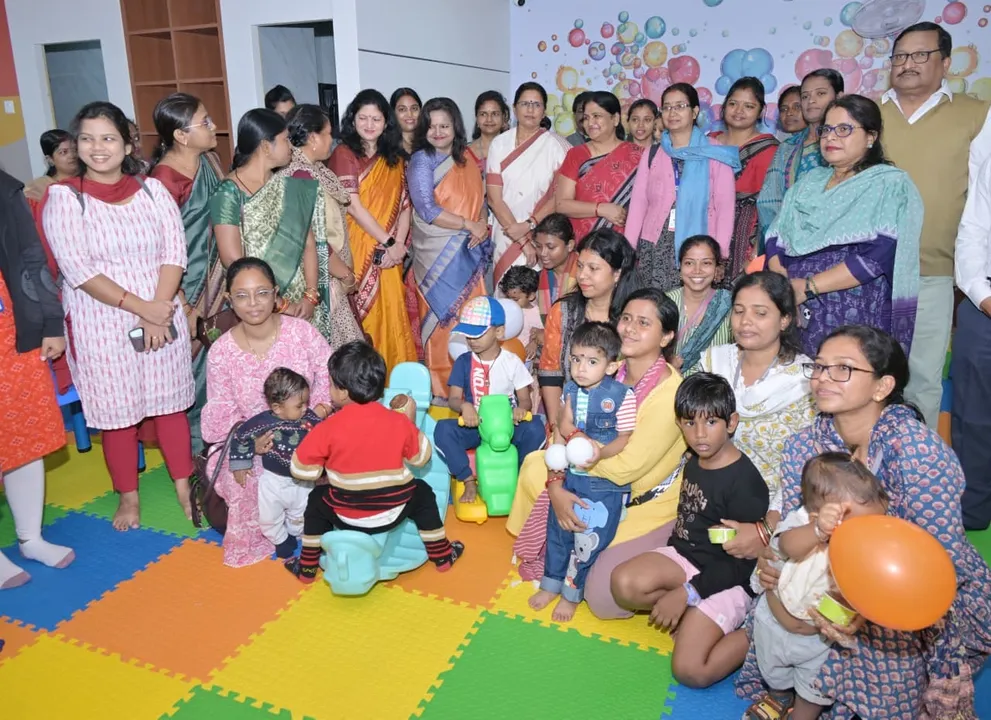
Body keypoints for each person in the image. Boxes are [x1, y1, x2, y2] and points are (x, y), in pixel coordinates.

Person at [739, 325, 991, 719]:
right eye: (819, 366)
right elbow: (795, 523)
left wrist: (855, 604)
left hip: (909, 591)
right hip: (823, 569)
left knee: (880, 657)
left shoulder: (917, 451)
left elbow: (938, 559)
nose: (823, 377)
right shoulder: (803, 446)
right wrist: (775, 559)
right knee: (773, 610)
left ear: (882, 386)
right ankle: (790, 691)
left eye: (843, 368)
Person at [41, 101, 195, 531]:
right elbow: (79, 270)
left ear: (127, 144)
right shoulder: (65, 199)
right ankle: (128, 496)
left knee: (170, 406)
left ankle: (185, 486)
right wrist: (144, 309)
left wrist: (158, 310)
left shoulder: (153, 191)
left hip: (161, 311)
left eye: (108, 138)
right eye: (87, 139)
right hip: (101, 323)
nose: (97, 147)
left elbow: (174, 253)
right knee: (117, 415)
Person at [510, 289, 686, 613]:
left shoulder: (670, 392)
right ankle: (557, 551)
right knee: (535, 465)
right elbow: (562, 425)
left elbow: (626, 468)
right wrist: (557, 486)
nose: (630, 328)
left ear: (666, 337)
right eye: (627, 318)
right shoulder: (603, 367)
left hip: (636, 494)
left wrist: (570, 463)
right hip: (584, 473)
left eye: (644, 323)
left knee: (602, 598)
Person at [610, 372, 769, 689]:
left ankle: (757, 633)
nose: (699, 434)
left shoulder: (746, 484)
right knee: (623, 584)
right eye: (689, 423)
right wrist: (684, 590)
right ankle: (696, 616)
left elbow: (742, 565)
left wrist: (688, 593)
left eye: (711, 422)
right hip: (687, 558)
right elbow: (691, 526)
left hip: (729, 578)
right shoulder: (695, 461)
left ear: (731, 422)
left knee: (690, 671)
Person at [881, 22, 991, 430]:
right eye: (900, 56)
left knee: (922, 380)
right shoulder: (867, 112)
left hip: (934, 272)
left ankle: (918, 463)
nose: (907, 64)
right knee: (864, 374)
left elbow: (982, 198)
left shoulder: (976, 114)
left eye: (920, 55)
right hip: (866, 273)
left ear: (945, 63)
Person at [287, 340, 464, 582]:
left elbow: (300, 470)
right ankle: (442, 556)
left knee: (317, 499)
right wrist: (410, 423)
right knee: (422, 492)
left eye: (330, 384)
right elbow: (422, 458)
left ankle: (307, 567)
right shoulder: (398, 422)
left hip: (346, 514)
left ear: (343, 391)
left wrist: (326, 469)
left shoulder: (327, 428)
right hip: (394, 511)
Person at [765, 95, 922, 358]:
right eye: (826, 129)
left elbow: (878, 254)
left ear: (871, 136)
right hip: (794, 307)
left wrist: (808, 287)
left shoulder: (889, 184)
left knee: (844, 375)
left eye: (844, 129)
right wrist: (785, 287)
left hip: (852, 311)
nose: (830, 137)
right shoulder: (809, 182)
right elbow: (776, 237)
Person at [200, 258, 332, 568]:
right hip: (250, 442)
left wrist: (317, 413)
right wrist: (251, 445)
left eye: (261, 293)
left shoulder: (302, 333)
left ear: (275, 294)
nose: (253, 303)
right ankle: (274, 535)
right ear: (229, 300)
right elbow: (222, 413)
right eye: (242, 295)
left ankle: (312, 529)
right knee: (244, 475)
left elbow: (328, 375)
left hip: (308, 429)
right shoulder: (221, 352)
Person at [748, 452, 888, 720]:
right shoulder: (800, 525)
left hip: (818, 641)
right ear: (817, 515)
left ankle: (803, 712)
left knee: (814, 689)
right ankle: (778, 696)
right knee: (773, 671)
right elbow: (786, 546)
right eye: (858, 525)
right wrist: (818, 532)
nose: (866, 533)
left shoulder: (862, 549)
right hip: (773, 627)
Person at [699, 271, 816, 552]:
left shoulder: (805, 382)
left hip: (776, 513)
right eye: (739, 311)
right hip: (709, 497)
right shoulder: (715, 363)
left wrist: (766, 528)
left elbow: (806, 468)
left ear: (785, 319)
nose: (745, 321)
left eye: (760, 313)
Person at [530, 322, 637, 622]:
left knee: (587, 540)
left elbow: (624, 438)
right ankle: (551, 583)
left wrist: (600, 453)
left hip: (603, 484)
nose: (580, 368)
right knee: (559, 530)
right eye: (576, 359)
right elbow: (563, 423)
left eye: (591, 361)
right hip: (572, 475)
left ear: (612, 365)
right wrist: (572, 437)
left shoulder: (622, 395)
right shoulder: (571, 390)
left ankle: (571, 594)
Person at [0, 168, 74, 589]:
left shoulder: (4, 188)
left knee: (23, 435)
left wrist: (51, 322)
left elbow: (32, 256)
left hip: (10, 324)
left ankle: (31, 537)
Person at [149, 92, 224, 454]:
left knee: (219, 365)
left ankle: (223, 440)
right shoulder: (163, 180)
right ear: (181, 135)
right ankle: (196, 453)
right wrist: (184, 305)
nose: (214, 127)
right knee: (192, 372)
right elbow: (158, 251)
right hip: (184, 290)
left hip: (220, 284)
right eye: (205, 122)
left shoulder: (210, 162)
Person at [328, 89, 417, 374]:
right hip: (359, 249)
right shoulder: (344, 153)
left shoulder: (395, 157)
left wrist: (399, 245)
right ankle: (365, 384)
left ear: (386, 122)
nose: (369, 125)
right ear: (352, 119)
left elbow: (405, 205)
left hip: (391, 253)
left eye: (376, 119)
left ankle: (396, 382)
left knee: (392, 315)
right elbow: (353, 206)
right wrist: (389, 241)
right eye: (363, 118)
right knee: (365, 320)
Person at [407, 97, 490, 398]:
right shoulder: (421, 160)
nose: (438, 132)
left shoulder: (466, 157)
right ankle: (443, 391)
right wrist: (469, 225)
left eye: (445, 125)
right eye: (432, 126)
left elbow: (481, 199)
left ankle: (477, 387)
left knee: (473, 317)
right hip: (437, 255)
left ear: (456, 127)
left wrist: (481, 223)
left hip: (469, 250)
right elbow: (427, 210)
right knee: (443, 322)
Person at [210, 109, 323, 326]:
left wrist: (310, 296)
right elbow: (232, 260)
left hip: (302, 304)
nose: (291, 146)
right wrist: (280, 303)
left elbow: (308, 243)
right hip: (257, 304)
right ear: (265, 146)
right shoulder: (228, 192)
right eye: (285, 140)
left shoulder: (287, 186)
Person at [627, 83, 738, 291]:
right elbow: (639, 203)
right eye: (667, 107)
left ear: (694, 112)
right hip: (655, 245)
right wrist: (629, 248)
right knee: (653, 304)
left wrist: (720, 255)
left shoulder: (716, 152)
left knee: (691, 304)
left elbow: (725, 206)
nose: (672, 113)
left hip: (699, 249)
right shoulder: (653, 153)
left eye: (680, 106)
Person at [432, 296, 544, 503]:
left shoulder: (512, 361)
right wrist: (465, 406)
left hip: (507, 427)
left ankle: (519, 476)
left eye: (478, 334)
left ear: (499, 332)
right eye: (468, 335)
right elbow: (454, 398)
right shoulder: (464, 362)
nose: (472, 340)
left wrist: (520, 410)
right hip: (475, 426)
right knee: (443, 430)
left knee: (537, 427)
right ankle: (468, 480)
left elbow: (525, 400)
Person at [278, 103, 364, 349]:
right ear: (313, 138)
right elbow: (312, 239)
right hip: (321, 282)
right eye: (328, 134)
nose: (331, 141)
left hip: (330, 275)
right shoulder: (299, 176)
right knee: (339, 355)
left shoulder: (314, 171)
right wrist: (345, 275)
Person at [538, 227, 638, 431]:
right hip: (569, 419)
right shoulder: (563, 312)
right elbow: (550, 374)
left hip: (625, 423)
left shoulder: (634, 319)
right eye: (580, 266)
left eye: (593, 268)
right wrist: (558, 427)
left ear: (617, 274)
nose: (582, 275)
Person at [229, 367, 321, 558]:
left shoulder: (309, 418)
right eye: (300, 405)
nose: (305, 408)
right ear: (277, 408)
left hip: (303, 480)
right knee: (268, 518)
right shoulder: (263, 422)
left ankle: (296, 535)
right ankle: (280, 539)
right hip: (274, 481)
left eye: (306, 403)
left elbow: (325, 434)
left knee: (302, 513)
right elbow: (241, 436)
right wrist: (241, 463)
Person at [487, 82, 570, 289]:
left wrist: (529, 226)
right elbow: (494, 199)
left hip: (542, 237)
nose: (530, 109)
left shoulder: (558, 147)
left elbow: (560, 197)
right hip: (506, 233)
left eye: (536, 104)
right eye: (525, 103)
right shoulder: (499, 144)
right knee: (506, 294)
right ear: (515, 108)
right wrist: (522, 240)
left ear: (544, 111)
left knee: (536, 296)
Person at [757, 69, 843, 237]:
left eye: (821, 93)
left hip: (837, 236)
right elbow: (769, 203)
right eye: (805, 96)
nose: (811, 100)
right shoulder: (787, 148)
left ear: (839, 97)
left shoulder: (851, 143)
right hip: (786, 239)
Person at [709, 77, 779, 281]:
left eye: (748, 106)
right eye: (733, 103)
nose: (739, 111)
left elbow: (770, 210)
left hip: (744, 236)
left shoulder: (770, 150)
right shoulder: (708, 143)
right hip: (705, 227)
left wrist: (756, 254)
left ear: (761, 111)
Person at [954, 151, 991, 530]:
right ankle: (972, 513)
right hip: (985, 304)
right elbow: (974, 230)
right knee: (974, 417)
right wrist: (983, 296)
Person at [555, 91, 643, 239]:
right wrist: (600, 209)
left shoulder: (639, 155)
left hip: (626, 242)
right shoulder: (576, 155)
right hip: (584, 242)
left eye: (597, 116)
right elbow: (561, 204)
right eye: (586, 118)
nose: (590, 123)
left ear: (615, 119)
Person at [664, 235, 732, 374]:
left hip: (714, 385)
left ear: (717, 268)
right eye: (689, 263)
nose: (697, 270)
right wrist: (665, 363)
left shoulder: (729, 305)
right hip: (668, 384)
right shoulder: (665, 302)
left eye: (706, 263)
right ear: (680, 267)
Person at [533, 212, 578, 325]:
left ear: (570, 245)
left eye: (550, 247)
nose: (543, 253)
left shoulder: (584, 277)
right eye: (538, 246)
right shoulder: (536, 279)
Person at [23, 129, 77, 210]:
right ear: (50, 160)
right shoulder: (38, 188)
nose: (72, 155)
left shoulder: (89, 179)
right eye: (63, 152)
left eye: (75, 150)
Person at [499, 266, 542, 359]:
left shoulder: (537, 314)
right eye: (508, 298)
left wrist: (534, 343)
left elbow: (540, 334)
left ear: (531, 296)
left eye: (515, 299)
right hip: (503, 357)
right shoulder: (503, 309)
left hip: (524, 359)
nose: (511, 303)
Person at [468, 90, 510, 178]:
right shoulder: (464, 154)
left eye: (495, 114)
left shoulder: (514, 149)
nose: (489, 119)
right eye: (483, 114)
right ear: (477, 118)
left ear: (503, 118)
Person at [391, 87, 422, 157]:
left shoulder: (431, 143)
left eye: (414, 108)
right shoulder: (385, 147)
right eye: (402, 109)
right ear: (393, 113)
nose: (409, 114)